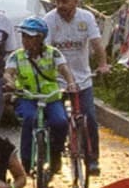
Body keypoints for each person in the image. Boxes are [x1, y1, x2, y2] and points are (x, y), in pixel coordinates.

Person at [46, 0, 107, 176]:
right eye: (57, 1)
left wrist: (103, 64)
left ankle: (92, 160)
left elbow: (97, 43)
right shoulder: (49, 20)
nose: (60, 6)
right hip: (57, 81)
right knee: (57, 122)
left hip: (82, 79)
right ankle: (54, 160)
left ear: (75, 1)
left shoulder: (86, 18)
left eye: (64, 1)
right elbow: (46, 50)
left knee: (90, 118)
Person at [6, 17, 76, 177]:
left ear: (40, 38)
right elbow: (8, 73)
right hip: (28, 97)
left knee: (60, 122)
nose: (25, 40)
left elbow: (64, 69)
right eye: (23, 36)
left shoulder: (53, 53)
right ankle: (26, 162)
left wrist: (71, 83)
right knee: (29, 119)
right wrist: (10, 83)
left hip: (51, 97)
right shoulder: (17, 56)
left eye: (29, 37)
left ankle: (56, 155)